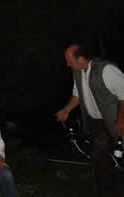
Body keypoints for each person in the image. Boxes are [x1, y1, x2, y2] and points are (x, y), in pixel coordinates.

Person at [55, 43, 124, 197]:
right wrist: (66, 110)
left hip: (116, 121)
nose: (67, 64)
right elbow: (77, 95)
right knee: (100, 162)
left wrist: (121, 119)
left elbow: (123, 93)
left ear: (80, 59)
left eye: (69, 61)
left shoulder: (106, 70)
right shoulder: (78, 73)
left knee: (119, 160)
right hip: (98, 124)